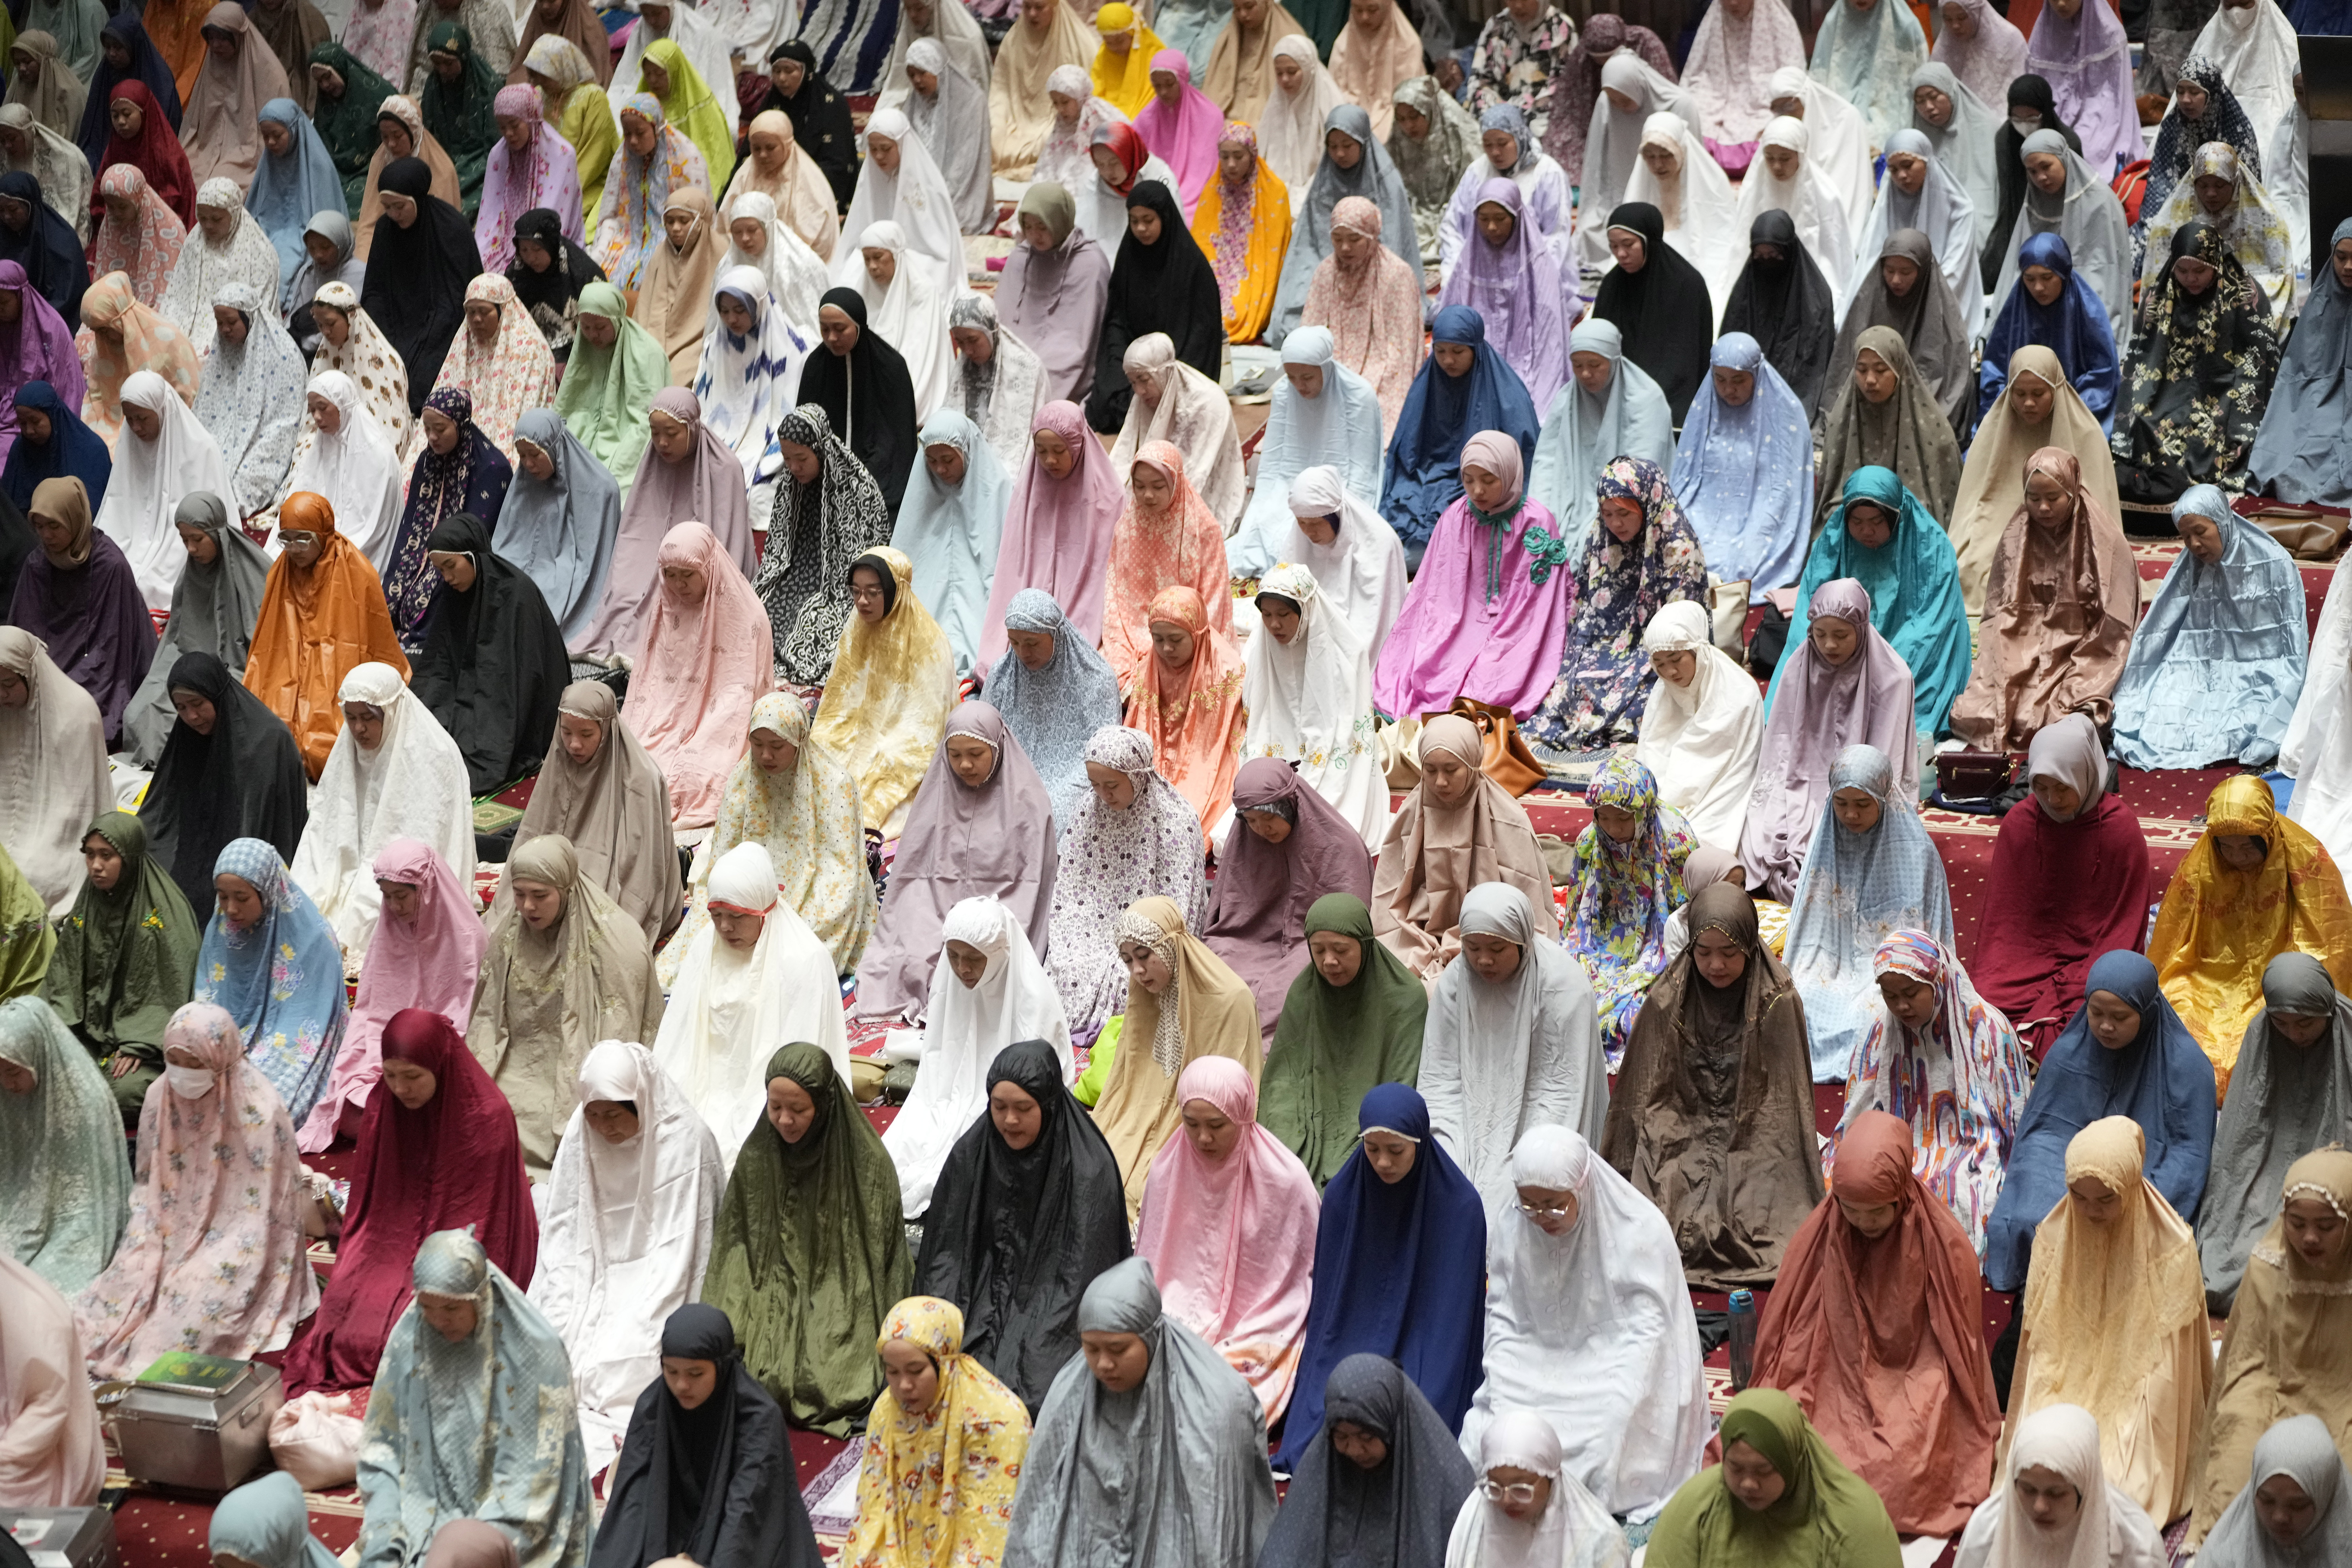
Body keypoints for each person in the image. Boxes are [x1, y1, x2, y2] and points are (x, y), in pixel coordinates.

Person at [1749, 1110, 1998, 1536]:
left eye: (1876, 1213)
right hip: (1830, 1374)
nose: (1862, 1223)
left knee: (1902, 1470)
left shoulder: (1946, 1244)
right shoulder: (1821, 1233)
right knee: (1771, 1446)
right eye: (1851, 1210)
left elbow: (1958, 1356)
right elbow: (1790, 1332)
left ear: (1900, 1196)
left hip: (1915, 1376)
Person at [1457, 1125, 1708, 1520]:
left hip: (1613, 1359)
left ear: (1583, 1187)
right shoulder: (1512, 1225)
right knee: (1486, 1433)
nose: (1541, 1218)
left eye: (1555, 1205)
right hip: (1532, 1359)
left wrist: (1621, 1385)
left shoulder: (1640, 1229)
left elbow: (1650, 1332)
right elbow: (1504, 1317)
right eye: (1530, 1205)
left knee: (1609, 1433)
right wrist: (1504, 1377)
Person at [281, 1005, 535, 1395]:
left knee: (428, 1332)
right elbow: (372, 1208)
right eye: (391, 1075)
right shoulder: (385, 1108)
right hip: (390, 1243)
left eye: (414, 1076)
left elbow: (486, 1223)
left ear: (440, 1065)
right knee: (347, 1327)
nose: (401, 1088)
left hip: (459, 1251)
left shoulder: (487, 1118)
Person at [73, 999, 320, 1374]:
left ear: (221, 1058)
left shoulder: (260, 1109)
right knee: (114, 1297)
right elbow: (149, 1183)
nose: (183, 1074)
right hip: (169, 1224)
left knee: (191, 1309)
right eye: (175, 1061)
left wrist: (204, 1257)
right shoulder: (160, 1097)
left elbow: (267, 1214)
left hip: (239, 1235)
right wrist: (153, 1239)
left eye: (195, 1064)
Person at [1606, 881, 1822, 1286]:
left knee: (1760, 1220)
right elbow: (1642, 1093)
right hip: (1681, 1119)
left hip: (1756, 1125)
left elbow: (1783, 1103)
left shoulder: (1778, 1000)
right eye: (1703, 953)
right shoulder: (1669, 995)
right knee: (1656, 1211)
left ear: (1750, 946)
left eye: (1729, 953)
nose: (1716, 966)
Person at [1002, 1256, 1276, 1566]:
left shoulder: (1216, 1408)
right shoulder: (1069, 1393)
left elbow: (1217, 1535)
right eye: (1091, 1349)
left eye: (1118, 1350)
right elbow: (1038, 1509)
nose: (1103, 1364)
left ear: (1151, 1336)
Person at [1983, 954, 2219, 1311]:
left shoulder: (2187, 1065)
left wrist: (2128, 1191)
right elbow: (2044, 1131)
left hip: (2143, 1170)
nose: (2106, 1027)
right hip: (2070, 1160)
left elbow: (2190, 1154)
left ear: (2148, 1011)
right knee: (2036, 1213)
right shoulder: (2069, 1052)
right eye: (2097, 1014)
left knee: (2129, 1225)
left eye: (2120, 1017)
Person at [2004, 1117, 2211, 1525]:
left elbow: (2169, 1369)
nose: (2091, 1211)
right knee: (2038, 1468)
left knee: (2124, 1489)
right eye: (2079, 1197)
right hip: (2070, 1373)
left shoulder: (2174, 1247)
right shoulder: (2054, 1233)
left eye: (2106, 1199)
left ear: (2131, 1187)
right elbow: (2041, 1344)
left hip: (2140, 1378)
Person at [526, 1042, 721, 1464]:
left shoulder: (686, 1140)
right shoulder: (584, 1130)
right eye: (593, 1115)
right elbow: (565, 1224)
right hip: (593, 1267)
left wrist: (638, 1303)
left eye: (613, 1116)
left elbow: (684, 1244)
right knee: (545, 1341)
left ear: (640, 1101)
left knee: (642, 1353)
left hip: (660, 1272)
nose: (602, 1127)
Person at [911, 1036, 1131, 1411]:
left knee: (1045, 1386)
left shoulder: (1088, 1170)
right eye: (999, 1107)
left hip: (1051, 1307)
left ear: (1047, 1104)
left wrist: (1024, 1327)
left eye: (1023, 1108)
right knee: (923, 1361)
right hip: (980, 1295)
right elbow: (946, 1255)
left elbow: (1080, 1279)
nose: (1009, 1121)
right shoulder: (972, 1154)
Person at [701, 1043, 911, 1434]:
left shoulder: (868, 1165)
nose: (785, 1121)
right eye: (775, 1107)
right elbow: (738, 1246)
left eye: (799, 1110)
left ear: (826, 1103)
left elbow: (874, 1260)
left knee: (829, 1373)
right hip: (767, 1281)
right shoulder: (758, 1155)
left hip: (838, 1285)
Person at [352, 1229, 591, 1568]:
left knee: (471, 1556)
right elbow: (383, 1445)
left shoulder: (537, 1352)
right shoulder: (414, 1333)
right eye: (427, 1306)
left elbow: (536, 1477)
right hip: (426, 1497)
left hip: (515, 1506)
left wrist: (468, 1543)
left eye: (451, 1308)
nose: (438, 1321)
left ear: (482, 1296)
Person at [470, 834, 665, 1178]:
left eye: (540, 896)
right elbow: (488, 1019)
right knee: (475, 1122)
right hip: (516, 1065)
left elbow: (620, 1037)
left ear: (566, 889)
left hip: (582, 1066)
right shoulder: (509, 936)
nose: (528, 907)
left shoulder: (618, 946)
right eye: (519, 895)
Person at [1132, 1057, 1317, 1420]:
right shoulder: (1167, 1171)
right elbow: (1153, 1261)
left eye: (1218, 1125)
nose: (1203, 1138)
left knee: (1229, 1398)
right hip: (1177, 1312)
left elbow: (1299, 1276)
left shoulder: (1286, 1181)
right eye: (1192, 1124)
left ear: (1243, 1116)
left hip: (1259, 1318)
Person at [853, 703, 1059, 1026]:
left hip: (1002, 909)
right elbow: (913, 874)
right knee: (909, 960)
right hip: (935, 903)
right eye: (955, 754)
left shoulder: (1029, 801)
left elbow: (1032, 884)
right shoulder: (936, 794)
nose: (964, 765)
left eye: (977, 754)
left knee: (986, 964)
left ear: (998, 746)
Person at [2148, 777, 2352, 1097]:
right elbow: (2171, 938)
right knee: (2174, 1014)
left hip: (2284, 969)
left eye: (2246, 847)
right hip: (2210, 977)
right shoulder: (2201, 864)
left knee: (2288, 1026)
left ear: (2266, 836)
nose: (2237, 857)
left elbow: (2333, 939)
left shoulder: (2308, 858)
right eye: (2226, 848)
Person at [592, 1303, 821, 1568]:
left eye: (696, 1374)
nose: (681, 1385)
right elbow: (635, 1500)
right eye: (671, 1371)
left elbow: (747, 1512)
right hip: (670, 1531)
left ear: (722, 1367)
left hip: (736, 1539)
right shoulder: (653, 1407)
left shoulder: (759, 1418)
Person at [1972, 716, 2152, 1052]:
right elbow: (2004, 921)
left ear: (2085, 774)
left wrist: (2089, 972)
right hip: (2027, 953)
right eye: (2042, 787)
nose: (2052, 800)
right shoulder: (2020, 824)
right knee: (1983, 1002)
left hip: (2097, 950)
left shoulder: (2120, 829)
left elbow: (2127, 920)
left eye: (2063, 787)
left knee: (2104, 1003)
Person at [1421, 881, 1607, 1206]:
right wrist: (1451, 1147)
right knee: (1439, 1184)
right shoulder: (1456, 980)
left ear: (1522, 941)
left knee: (1514, 1194)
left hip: (1541, 1120)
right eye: (1473, 948)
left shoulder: (1564, 988)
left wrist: (1508, 1164)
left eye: (1497, 949)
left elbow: (1561, 1092)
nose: (1483, 961)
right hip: (1467, 1118)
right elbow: (1440, 1079)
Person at [1780, 744, 1956, 1083]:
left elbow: (1925, 939)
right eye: (1841, 804)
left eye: (1863, 805)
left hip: (1889, 971)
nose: (1850, 816)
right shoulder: (1825, 840)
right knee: (1797, 1002)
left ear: (1885, 798)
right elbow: (1810, 928)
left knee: (1879, 1013)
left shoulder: (1918, 853)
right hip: (1830, 964)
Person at [666, 694, 873, 980]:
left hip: (815, 891)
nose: (765, 756)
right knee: (701, 945)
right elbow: (724, 854)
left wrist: (784, 913)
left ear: (800, 739)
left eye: (777, 746)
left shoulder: (836, 785)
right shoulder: (743, 779)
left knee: (799, 957)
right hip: (748, 892)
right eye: (757, 745)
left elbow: (842, 875)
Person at [1947, 447, 2136, 751]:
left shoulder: (2104, 539)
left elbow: (2114, 620)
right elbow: (2000, 608)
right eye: (2034, 499)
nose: (2043, 508)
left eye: (2053, 498)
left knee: (2065, 715)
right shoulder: (2017, 533)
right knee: (1981, 712)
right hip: (2024, 639)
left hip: (2083, 645)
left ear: (2073, 492)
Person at [300, 837, 480, 1153]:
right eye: (387, 897)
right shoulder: (389, 929)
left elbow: (463, 1013)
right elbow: (371, 1009)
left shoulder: (465, 936)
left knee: (426, 1106)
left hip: (438, 1050)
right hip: (389, 1051)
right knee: (352, 1108)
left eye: (401, 897)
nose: (394, 907)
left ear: (425, 892)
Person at [1373, 434, 1568, 723]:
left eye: (1489, 480)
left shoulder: (1537, 522)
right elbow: (1437, 590)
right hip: (1459, 620)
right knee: (1428, 666)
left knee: (1496, 679)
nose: (1478, 491)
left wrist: (1498, 639)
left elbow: (1536, 605)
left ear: (1510, 472)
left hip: (1519, 624)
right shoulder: (1455, 516)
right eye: (1469, 480)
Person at [2111, 488, 2306, 770]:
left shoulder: (2272, 561)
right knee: (2161, 710)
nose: (2194, 544)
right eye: (2186, 537)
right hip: (2196, 667)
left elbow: (2291, 643)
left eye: (2201, 532)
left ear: (2223, 521)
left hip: (2256, 671)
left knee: (2252, 714)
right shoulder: (2190, 564)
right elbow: (2162, 625)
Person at [290, 662, 474, 960]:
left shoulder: (436, 754)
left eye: (368, 718)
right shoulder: (346, 747)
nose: (358, 729)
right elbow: (327, 825)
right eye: (350, 718)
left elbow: (427, 834)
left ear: (391, 712)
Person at [1527, 455, 1706, 756]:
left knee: (1651, 695)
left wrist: (1639, 658)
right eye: (1607, 513)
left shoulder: (1679, 547)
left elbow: (1683, 627)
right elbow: (1585, 609)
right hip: (1607, 642)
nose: (1616, 523)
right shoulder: (1601, 538)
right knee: (1576, 683)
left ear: (1647, 505)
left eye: (1624, 513)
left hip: (1659, 648)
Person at [1042, 725, 1208, 1037]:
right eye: (1095, 785)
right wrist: (1079, 936)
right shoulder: (1088, 811)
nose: (1104, 795)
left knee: (1130, 974)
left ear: (1137, 775)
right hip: (1093, 925)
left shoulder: (1178, 820)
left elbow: (1180, 904)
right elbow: (1070, 889)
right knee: (1068, 968)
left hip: (1147, 929)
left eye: (1113, 785)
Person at [1782, 463, 1969, 738]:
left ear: (1896, 517)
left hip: (1906, 648)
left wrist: (1879, 666)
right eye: (1856, 522)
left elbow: (1932, 624)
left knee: (1906, 696)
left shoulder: (1933, 548)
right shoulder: (1834, 541)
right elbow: (1808, 609)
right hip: (1840, 645)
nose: (1865, 531)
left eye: (1876, 522)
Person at [39, 812, 201, 1116]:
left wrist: (138, 1043)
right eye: (90, 855)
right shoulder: (88, 903)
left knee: (123, 1093)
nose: (96, 866)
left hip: (143, 1047)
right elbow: (65, 977)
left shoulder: (164, 915)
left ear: (129, 857)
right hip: (88, 1035)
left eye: (107, 856)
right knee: (45, 1072)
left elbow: (168, 988)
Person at [1369, 716, 1554, 981]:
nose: (1440, 782)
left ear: (1472, 764)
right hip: (1419, 929)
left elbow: (1525, 890)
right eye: (1430, 771)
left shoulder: (1507, 817)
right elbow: (1391, 889)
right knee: (1393, 981)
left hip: (1490, 933)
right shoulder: (1412, 812)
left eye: (1451, 770)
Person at [2111, 220, 2281, 506]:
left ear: (2215, 261)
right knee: (2143, 419)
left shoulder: (2244, 293)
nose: (2191, 278)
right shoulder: (2159, 295)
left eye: (2200, 270)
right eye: (2182, 270)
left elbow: (2259, 361)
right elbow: (2142, 358)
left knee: (2235, 430)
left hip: (2228, 388)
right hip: (2170, 390)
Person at [1643, 1389, 1901, 1567]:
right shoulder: (1696, 1507)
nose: (1748, 1484)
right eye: (1735, 1468)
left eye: (1764, 1471)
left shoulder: (1854, 1519)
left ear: (1793, 1460)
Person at [1262, 1353, 1476, 1568]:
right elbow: (1285, 1553)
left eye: (1368, 1437)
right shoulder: (1324, 1468)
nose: (1355, 1451)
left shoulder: (1447, 1484)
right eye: (1342, 1437)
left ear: (1394, 1427)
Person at [1955, 342, 2121, 613]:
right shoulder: (1992, 431)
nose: (2028, 403)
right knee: (1976, 573)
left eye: (2038, 393)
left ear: (2056, 388)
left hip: (2069, 537)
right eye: (2019, 393)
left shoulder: (2088, 434)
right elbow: (1974, 504)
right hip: (1999, 532)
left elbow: (2100, 518)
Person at [410, 513, 569, 792]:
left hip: (510, 700)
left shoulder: (518, 594)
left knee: (480, 757)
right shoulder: (453, 592)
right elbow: (440, 662)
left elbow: (527, 675)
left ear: (474, 557)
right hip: (469, 692)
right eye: (440, 571)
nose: (447, 578)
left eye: (451, 566)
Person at [139, 653, 310, 913]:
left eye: (197, 704)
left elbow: (263, 824)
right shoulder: (188, 736)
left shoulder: (267, 740)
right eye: (181, 708)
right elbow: (164, 803)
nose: (192, 717)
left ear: (217, 695)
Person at [627, 521, 771, 826]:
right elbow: (650, 677)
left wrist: (701, 728)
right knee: (628, 760)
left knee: (698, 773)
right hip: (665, 708)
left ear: (710, 566)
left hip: (722, 714)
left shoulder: (749, 616)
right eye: (670, 575)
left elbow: (742, 692)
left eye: (688, 575)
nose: (678, 585)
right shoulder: (664, 607)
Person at [1233, 562, 1385, 844]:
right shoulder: (1259, 647)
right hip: (1277, 744)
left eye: (1284, 615)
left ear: (1305, 611)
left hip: (1331, 751)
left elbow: (1346, 731)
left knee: (1332, 823)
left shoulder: (1347, 655)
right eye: (1266, 615)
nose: (1274, 625)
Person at [807, 549, 956, 835]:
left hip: (903, 738)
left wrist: (878, 744)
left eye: (873, 593)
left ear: (894, 591)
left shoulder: (930, 642)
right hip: (854, 731)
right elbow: (838, 699)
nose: (862, 602)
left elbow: (926, 727)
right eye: (856, 591)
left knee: (888, 770)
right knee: (818, 751)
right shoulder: (855, 627)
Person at [1378, 306, 1537, 564]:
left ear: (1476, 348)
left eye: (1458, 352)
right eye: (1440, 352)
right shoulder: (1427, 383)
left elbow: (1523, 457)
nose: (1448, 361)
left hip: (1483, 484)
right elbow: (1406, 453)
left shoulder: (1507, 393)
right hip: (1429, 479)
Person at [0, 993, 131, 1293]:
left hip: (73, 1215)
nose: (7, 1084)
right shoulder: (5, 1095)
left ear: (39, 1054)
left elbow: (93, 1201)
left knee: (54, 1275)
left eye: (12, 1072)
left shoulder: (87, 1102)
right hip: (17, 1206)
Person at [1670, 334, 1811, 605]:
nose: (1728, 390)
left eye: (1739, 381)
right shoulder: (1705, 407)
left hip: (1764, 509)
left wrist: (1759, 522)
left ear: (1756, 375)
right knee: (1681, 543)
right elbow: (1685, 478)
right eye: (1720, 380)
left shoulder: (1787, 413)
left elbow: (1785, 490)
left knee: (1748, 557)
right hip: (1707, 508)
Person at [15, 475, 154, 743]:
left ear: (75, 519)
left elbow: (114, 652)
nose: (46, 535)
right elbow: (25, 634)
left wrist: (68, 685)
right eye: (40, 526)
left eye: (55, 525)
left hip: (99, 671)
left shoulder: (110, 567)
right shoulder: (37, 564)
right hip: (47, 667)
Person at [1269, 103, 1420, 346]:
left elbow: (1394, 238)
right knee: (1295, 312)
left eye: (1348, 146)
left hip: (1374, 261)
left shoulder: (1386, 179)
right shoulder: (1325, 178)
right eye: (1333, 147)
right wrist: (1336, 261)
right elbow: (1311, 238)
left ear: (1363, 142)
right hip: (1330, 258)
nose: (1340, 154)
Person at [1086, 184, 1224, 436]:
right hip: (1134, 370)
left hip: (1175, 366)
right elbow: (1117, 322)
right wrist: (1123, 368)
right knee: (1107, 403)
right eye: (1135, 221)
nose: (1141, 229)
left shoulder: (1193, 268)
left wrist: (1161, 378)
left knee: (1178, 409)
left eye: (1148, 220)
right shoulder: (1129, 258)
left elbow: (1200, 339)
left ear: (1165, 217)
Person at [1955, 1403, 2168, 1567]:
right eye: (2028, 1490)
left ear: (2085, 1488)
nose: (2040, 1507)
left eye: (2056, 1494)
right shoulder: (1985, 1530)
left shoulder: (2137, 1543)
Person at [1631, 603, 1761, 856]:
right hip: (1668, 795)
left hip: (1722, 789)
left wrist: (1672, 808)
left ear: (1698, 651)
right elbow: (1651, 754)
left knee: (1698, 846)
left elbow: (1726, 767)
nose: (1669, 672)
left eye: (1677, 659)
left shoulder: (1740, 692)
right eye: (1659, 663)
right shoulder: (1662, 692)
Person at [0, 627, 111, 919]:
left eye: (9, 684)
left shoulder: (78, 713)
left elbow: (77, 807)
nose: (2, 694)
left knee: (32, 874)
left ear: (30, 674)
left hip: (59, 834)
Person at [388, 389, 516, 641]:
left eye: (441, 429)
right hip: (425, 550)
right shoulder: (428, 460)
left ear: (461, 423)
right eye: (426, 429)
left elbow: (474, 542)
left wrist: (434, 565)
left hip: (457, 562)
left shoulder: (492, 468)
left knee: (437, 594)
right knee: (392, 589)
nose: (432, 437)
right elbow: (411, 527)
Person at [983, 591, 1122, 822]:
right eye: (1015, 642)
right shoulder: (1001, 675)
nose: (1022, 653)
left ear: (1056, 635)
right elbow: (985, 734)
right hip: (1009, 776)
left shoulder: (1096, 679)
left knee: (1052, 812)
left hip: (1076, 778)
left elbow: (1103, 752)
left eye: (1032, 643)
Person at [1988, 129, 2132, 350]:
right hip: (2042, 295)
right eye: (2032, 172)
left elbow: (2107, 274)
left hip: (2087, 302)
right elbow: (2018, 267)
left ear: (2064, 159)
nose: (2041, 178)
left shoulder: (2101, 202)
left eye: (2047, 167)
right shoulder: (2035, 202)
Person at [1434, 179, 1569, 411]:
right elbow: (1451, 317)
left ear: (1516, 217)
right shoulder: (1469, 262)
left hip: (1526, 358)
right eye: (1484, 219)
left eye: (1500, 219)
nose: (1492, 228)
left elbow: (1548, 332)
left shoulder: (1539, 265)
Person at [1121, 584, 1245, 834]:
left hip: (1203, 768)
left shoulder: (1226, 672)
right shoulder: (1150, 668)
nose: (1167, 649)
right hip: (1157, 764)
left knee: (1188, 824)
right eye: (1159, 640)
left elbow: (1215, 749)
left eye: (1176, 640)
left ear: (1197, 633)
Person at [362, 157, 480, 416]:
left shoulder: (452, 228)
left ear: (416, 198)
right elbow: (375, 290)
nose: (393, 214)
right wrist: (380, 332)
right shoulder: (385, 229)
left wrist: (425, 337)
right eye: (387, 207)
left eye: (400, 207)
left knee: (422, 378)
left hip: (440, 325)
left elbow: (457, 298)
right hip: (395, 321)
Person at [490, 411, 616, 651]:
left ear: (556, 446)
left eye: (536, 455)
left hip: (568, 576)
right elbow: (506, 543)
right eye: (522, 456)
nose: (528, 464)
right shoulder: (523, 485)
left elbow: (591, 562)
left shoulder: (601, 491)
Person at [2250, 218, 2352, 505]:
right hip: (2318, 408)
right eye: (2341, 258)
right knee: (2296, 462)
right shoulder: (2319, 305)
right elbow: (2298, 377)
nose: (2348, 267)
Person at [1443, 1412, 1630, 1568]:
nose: (1506, 1500)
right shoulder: (1473, 1524)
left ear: (1552, 1480)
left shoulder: (1601, 1542)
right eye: (1495, 1487)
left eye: (1521, 1489)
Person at [792, 294, 919, 517]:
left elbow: (898, 442)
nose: (832, 338)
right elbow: (805, 432)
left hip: (880, 469)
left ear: (859, 326)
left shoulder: (891, 367)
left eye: (840, 329)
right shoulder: (815, 366)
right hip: (826, 471)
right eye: (824, 329)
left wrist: (860, 478)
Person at [186, 286, 305, 520]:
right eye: (220, 323)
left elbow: (285, 422)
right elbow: (207, 409)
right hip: (222, 437)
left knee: (239, 489)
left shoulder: (283, 354)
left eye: (231, 322)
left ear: (249, 318)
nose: (225, 330)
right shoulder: (221, 350)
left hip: (265, 441)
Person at [1104, 335, 1246, 530]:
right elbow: (1129, 453)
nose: (1140, 391)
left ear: (1164, 373)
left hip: (1201, 491)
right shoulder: (1146, 397)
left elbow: (1198, 473)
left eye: (1144, 380)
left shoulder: (1208, 403)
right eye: (1133, 382)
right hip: (1157, 485)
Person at [2199, 1381, 2352, 1555]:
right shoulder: (2222, 1556)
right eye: (2266, 1500)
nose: (2279, 1518)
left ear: (2328, 1498)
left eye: (2298, 1506)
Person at [555, 281, 667, 513]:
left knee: (617, 488)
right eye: (585, 327)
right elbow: (567, 406)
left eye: (600, 327)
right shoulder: (583, 347)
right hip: (585, 431)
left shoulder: (647, 353)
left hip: (630, 433)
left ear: (616, 320)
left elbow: (645, 421)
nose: (592, 335)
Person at [277, 365, 406, 565]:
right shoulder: (324, 442)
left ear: (343, 405)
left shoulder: (379, 456)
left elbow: (373, 527)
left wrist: (327, 549)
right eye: (313, 410)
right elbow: (305, 491)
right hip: (320, 539)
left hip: (357, 547)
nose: (318, 418)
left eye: (323, 408)